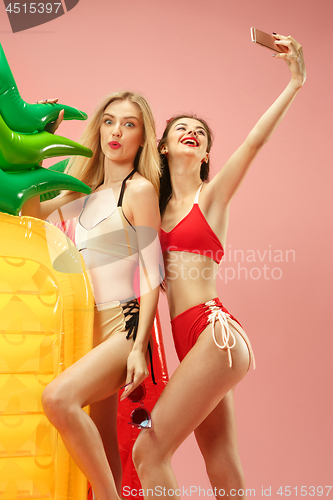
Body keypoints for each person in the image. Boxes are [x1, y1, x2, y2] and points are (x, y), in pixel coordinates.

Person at [132, 34, 306, 499]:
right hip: (191, 345)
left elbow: (253, 143)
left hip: (216, 334)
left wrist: (294, 82)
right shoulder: (150, 204)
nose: (192, 132)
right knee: (220, 460)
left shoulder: (211, 198)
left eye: (201, 132)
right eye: (181, 128)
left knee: (147, 454)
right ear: (163, 147)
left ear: (206, 154)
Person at [22, 91, 161, 500]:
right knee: (102, 438)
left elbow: (153, 274)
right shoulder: (80, 192)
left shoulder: (139, 192)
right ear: (98, 128)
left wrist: (139, 348)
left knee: (58, 399)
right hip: (85, 330)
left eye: (129, 124)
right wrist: (41, 138)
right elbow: (30, 215)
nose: (116, 131)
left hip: (123, 327)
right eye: (109, 121)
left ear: (142, 139)